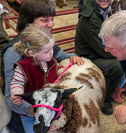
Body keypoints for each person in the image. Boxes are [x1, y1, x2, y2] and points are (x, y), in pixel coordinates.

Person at [2, 0, 84, 132]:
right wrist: (37, 112)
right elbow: (11, 98)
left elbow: (61, 55)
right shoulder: (14, 52)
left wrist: (73, 57)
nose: (51, 24)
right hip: (29, 111)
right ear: (28, 22)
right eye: (44, 20)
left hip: (49, 105)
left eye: (52, 19)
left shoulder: (44, 42)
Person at [75, 0, 124, 115]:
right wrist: (122, 51)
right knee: (118, 64)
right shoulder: (89, 18)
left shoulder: (112, 9)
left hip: (103, 49)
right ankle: (105, 99)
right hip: (89, 56)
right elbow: (103, 49)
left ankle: (117, 88)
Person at [10, 24, 58, 133]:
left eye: (52, 48)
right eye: (47, 51)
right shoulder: (23, 67)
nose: (51, 53)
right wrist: (16, 94)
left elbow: (56, 80)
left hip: (49, 108)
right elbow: (17, 82)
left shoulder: (52, 63)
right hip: (31, 112)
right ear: (32, 53)